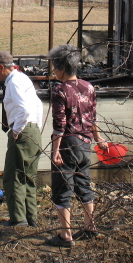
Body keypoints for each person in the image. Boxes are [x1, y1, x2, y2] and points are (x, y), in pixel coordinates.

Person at [47, 44, 109, 247]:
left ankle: (66, 235)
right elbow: (93, 118)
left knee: (62, 188)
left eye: (54, 67)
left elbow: (60, 125)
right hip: (85, 144)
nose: (53, 71)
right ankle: (90, 226)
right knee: (84, 184)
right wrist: (99, 139)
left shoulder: (60, 90)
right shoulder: (89, 87)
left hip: (67, 144)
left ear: (62, 68)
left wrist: (55, 150)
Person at [0, 51, 43, 227]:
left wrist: (17, 131)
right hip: (33, 130)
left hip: (23, 130)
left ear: (1, 67)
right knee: (28, 177)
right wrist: (36, 127)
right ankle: (30, 217)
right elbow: (37, 105)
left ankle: (18, 219)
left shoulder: (13, 82)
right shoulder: (23, 78)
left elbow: (24, 109)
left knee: (14, 177)